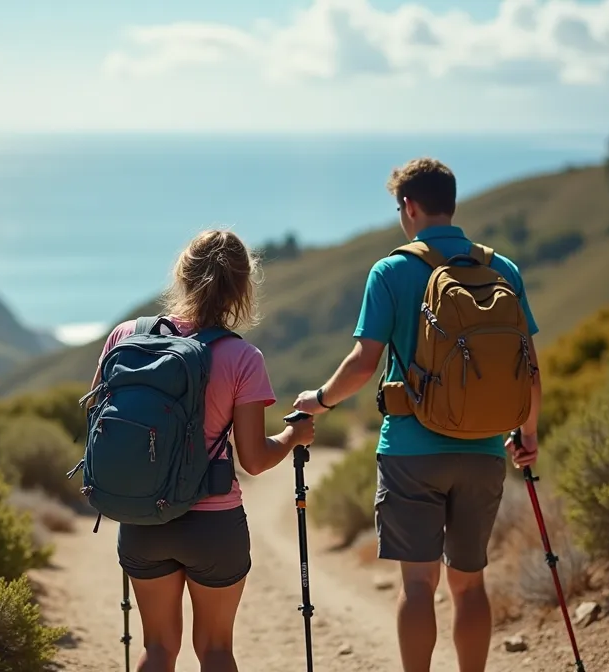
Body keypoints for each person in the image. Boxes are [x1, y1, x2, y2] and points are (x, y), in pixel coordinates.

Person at [292, 157, 541, 672]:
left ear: (409, 206)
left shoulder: (392, 270)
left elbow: (364, 364)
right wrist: (527, 434)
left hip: (411, 450)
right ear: (450, 204)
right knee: (469, 584)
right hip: (484, 451)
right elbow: (529, 368)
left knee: (418, 584)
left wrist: (321, 400)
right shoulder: (503, 269)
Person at [90, 228, 315, 672]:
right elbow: (253, 459)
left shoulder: (125, 337)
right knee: (215, 651)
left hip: (142, 519)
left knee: (157, 649)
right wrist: (293, 438)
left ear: (182, 276)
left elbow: (100, 421)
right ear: (242, 287)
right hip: (214, 526)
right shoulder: (242, 357)